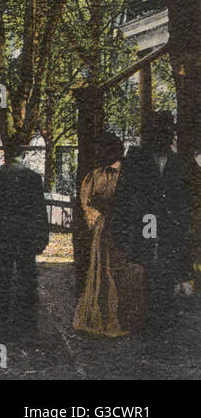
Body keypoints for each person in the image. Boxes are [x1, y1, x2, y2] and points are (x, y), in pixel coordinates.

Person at [111, 110, 195, 331]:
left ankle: (164, 316)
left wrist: (182, 227)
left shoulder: (179, 162)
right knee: (145, 265)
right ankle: (144, 316)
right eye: (160, 131)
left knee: (166, 267)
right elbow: (124, 194)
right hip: (144, 223)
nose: (164, 136)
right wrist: (121, 230)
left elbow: (185, 198)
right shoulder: (137, 158)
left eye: (168, 132)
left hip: (169, 227)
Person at [73, 131, 146, 337]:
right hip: (103, 230)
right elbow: (86, 203)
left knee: (123, 271)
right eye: (102, 149)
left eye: (109, 148)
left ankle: (124, 318)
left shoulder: (129, 174)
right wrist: (99, 220)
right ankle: (102, 317)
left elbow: (136, 201)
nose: (104, 152)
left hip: (125, 228)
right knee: (103, 272)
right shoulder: (95, 176)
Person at [0, 148, 50, 332]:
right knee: (27, 279)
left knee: (0, 279)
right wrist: (42, 238)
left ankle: (0, 323)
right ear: (24, 155)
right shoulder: (33, 178)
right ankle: (27, 323)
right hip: (25, 237)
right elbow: (40, 212)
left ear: (5, 154)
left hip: (1, 237)